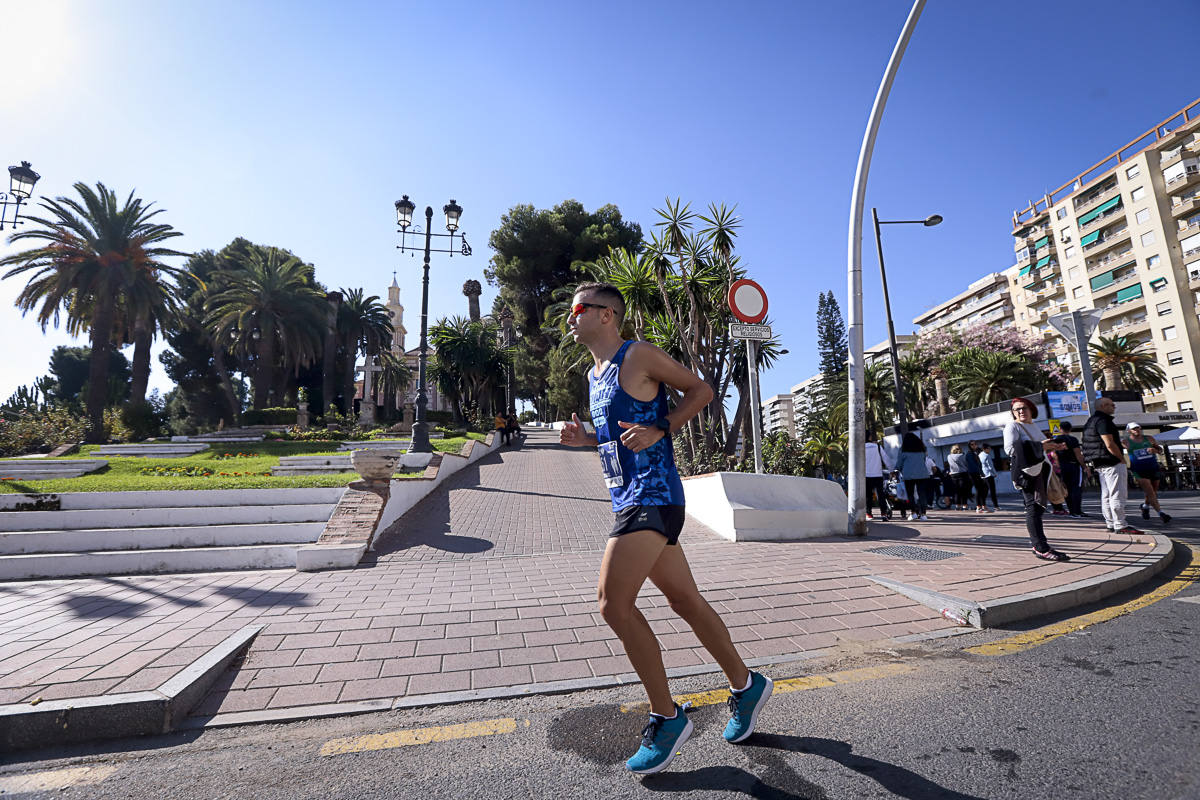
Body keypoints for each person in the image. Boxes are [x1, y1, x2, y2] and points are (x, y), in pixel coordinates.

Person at [558, 282, 772, 774]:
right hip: (629, 497)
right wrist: (584, 439)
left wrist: (663, 427)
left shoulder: (639, 356)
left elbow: (702, 390)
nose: (571, 318)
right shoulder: (596, 375)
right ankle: (746, 685)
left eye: (577, 309)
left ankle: (666, 715)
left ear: (607, 314)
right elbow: (617, 437)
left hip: (653, 496)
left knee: (614, 604)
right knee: (684, 601)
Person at [1004, 396, 1072, 561]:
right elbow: (1010, 450)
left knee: (1039, 508)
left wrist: (1054, 446)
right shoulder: (1013, 426)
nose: (1021, 411)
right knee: (1033, 509)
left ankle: (1040, 544)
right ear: (1013, 413)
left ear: (1031, 410)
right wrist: (1041, 446)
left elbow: (1040, 449)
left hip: (1040, 471)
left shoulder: (1033, 426)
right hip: (1028, 473)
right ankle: (1040, 547)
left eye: (1024, 408)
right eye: (1017, 409)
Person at [1082, 397, 1142, 536]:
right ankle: (1120, 524)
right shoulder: (1103, 421)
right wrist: (1121, 459)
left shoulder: (1091, 421)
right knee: (1117, 493)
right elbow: (1108, 443)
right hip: (1112, 462)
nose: (1114, 407)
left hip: (1099, 462)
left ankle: (1110, 522)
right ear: (1103, 406)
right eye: (1111, 405)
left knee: (1107, 494)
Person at [1124, 422, 1171, 525]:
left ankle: (1145, 506)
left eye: (1138, 428)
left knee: (1153, 491)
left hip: (1153, 467)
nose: (1137, 430)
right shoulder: (1126, 442)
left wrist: (1155, 450)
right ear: (1129, 431)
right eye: (1134, 429)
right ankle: (1161, 514)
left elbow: (1160, 449)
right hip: (1139, 470)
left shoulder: (1149, 438)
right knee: (1150, 492)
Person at [1052, 421, 1087, 518]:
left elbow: (1054, 454)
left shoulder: (1056, 439)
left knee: (1066, 488)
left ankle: (1072, 511)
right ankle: (1078, 511)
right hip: (1074, 465)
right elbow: (1078, 454)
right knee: (1076, 488)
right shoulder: (1073, 439)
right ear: (1070, 429)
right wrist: (1084, 466)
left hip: (1063, 466)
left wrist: (1058, 465)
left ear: (1060, 428)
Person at [896, 432, 930, 521]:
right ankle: (923, 514)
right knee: (922, 494)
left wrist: (896, 469)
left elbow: (899, 463)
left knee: (910, 494)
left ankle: (913, 513)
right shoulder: (922, 449)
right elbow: (924, 459)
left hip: (908, 474)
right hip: (922, 474)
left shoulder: (903, 450)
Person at [965, 441, 988, 513]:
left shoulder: (977, 453)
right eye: (972, 444)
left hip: (978, 473)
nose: (974, 445)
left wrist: (982, 472)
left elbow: (980, 463)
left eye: (975, 444)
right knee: (979, 489)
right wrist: (980, 473)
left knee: (984, 488)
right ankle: (979, 507)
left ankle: (983, 506)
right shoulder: (969, 454)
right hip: (973, 474)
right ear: (969, 446)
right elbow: (973, 465)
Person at [946, 445, 971, 510]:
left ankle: (957, 506)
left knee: (957, 491)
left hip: (953, 474)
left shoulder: (949, 456)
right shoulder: (962, 455)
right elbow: (966, 464)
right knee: (963, 491)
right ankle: (964, 506)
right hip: (962, 474)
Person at [979, 443, 1000, 512]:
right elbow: (990, 466)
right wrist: (995, 473)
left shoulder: (979, 455)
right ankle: (996, 506)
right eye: (989, 448)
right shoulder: (987, 455)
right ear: (985, 449)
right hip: (989, 475)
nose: (990, 450)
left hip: (983, 476)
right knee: (992, 491)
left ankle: (983, 505)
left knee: (984, 491)